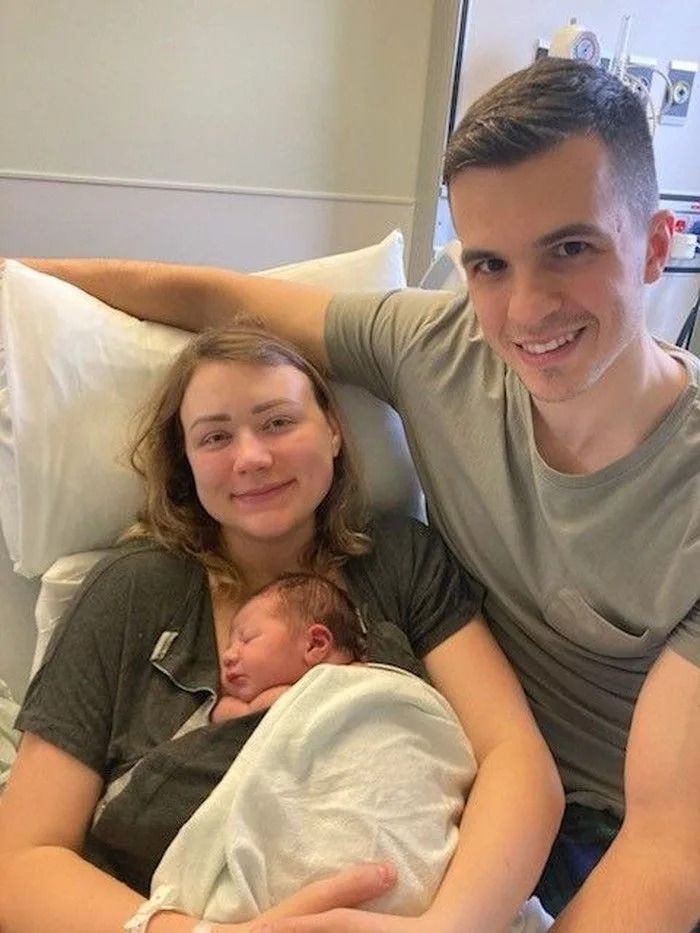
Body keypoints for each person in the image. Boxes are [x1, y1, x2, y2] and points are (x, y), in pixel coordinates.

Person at [20, 57, 699, 930]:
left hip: (611, 823)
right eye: (489, 263)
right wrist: (20, 279)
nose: (527, 309)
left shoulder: (399, 566)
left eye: (571, 248)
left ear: (657, 245)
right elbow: (212, 297)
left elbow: (665, 842)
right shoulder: (437, 350)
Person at [0, 324, 563, 933]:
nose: (252, 458)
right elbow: (22, 862)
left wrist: (445, 927)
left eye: (277, 422)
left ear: (334, 429)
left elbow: (517, 761)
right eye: (215, 436)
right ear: (186, 461)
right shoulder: (133, 590)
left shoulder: (400, 561)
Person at [210, 571, 367, 722]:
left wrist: (227, 708)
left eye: (247, 639)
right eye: (229, 646)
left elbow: (238, 716)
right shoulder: (362, 676)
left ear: (314, 644)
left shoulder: (285, 698)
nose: (227, 656)